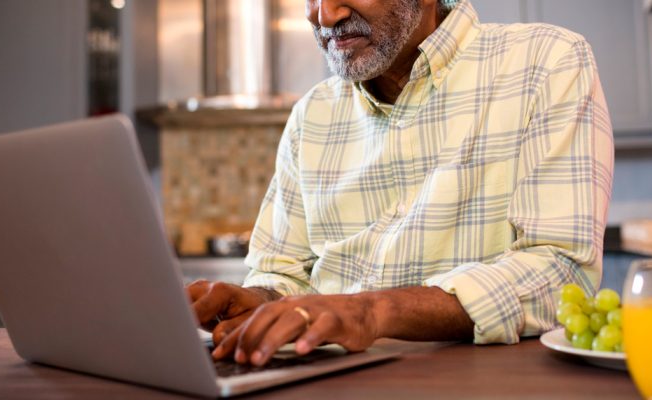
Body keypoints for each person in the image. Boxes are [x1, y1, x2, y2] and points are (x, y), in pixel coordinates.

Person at [188, 0, 613, 367]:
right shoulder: (311, 115)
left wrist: (371, 311)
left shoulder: (547, 62)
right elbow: (283, 275)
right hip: (326, 382)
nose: (325, 14)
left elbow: (561, 272)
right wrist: (261, 302)